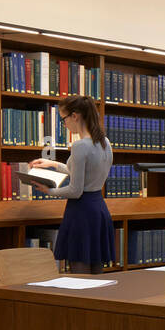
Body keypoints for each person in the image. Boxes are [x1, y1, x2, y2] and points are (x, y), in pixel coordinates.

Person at [28, 95, 115, 275]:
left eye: (64, 118)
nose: (64, 124)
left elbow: (76, 191)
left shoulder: (80, 146)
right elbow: (85, 174)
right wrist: (52, 164)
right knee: (97, 275)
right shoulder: (104, 141)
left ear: (75, 116)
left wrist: (49, 190)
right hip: (98, 209)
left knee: (80, 276)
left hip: (81, 212)